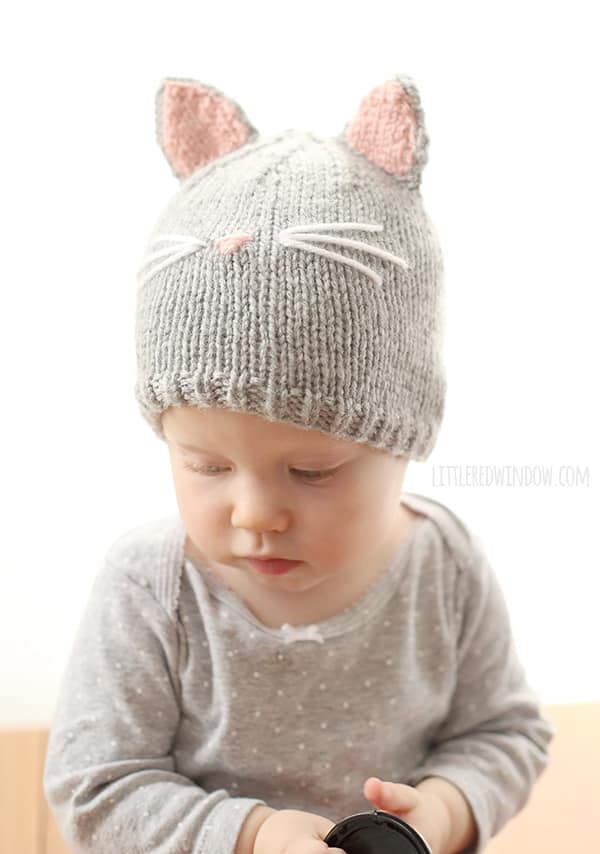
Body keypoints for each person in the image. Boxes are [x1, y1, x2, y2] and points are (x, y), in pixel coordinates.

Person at [43, 73, 554, 854]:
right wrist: (248, 835)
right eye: (205, 466)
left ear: (404, 439)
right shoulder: (153, 585)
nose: (254, 514)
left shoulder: (443, 565)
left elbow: (506, 733)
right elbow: (95, 786)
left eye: (312, 471)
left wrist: (447, 810)